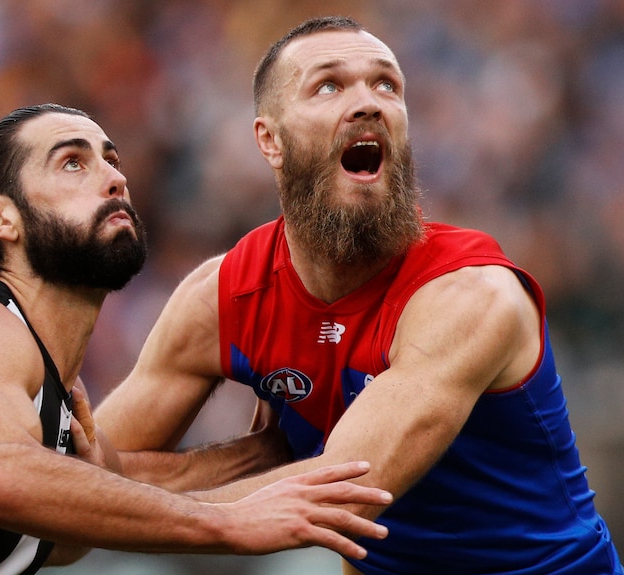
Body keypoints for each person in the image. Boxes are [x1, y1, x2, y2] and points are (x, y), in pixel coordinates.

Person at [0, 103, 394, 574]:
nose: (113, 178)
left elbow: (79, 520)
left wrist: (280, 448)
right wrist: (226, 522)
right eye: (72, 162)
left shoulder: (45, 389)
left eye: (110, 160)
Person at [94, 16, 624, 575]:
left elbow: (343, 491)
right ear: (269, 140)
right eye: (328, 85)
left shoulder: (470, 293)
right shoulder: (224, 295)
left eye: (386, 85)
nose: (368, 102)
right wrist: (64, 486)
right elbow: (80, 493)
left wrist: (92, 501)